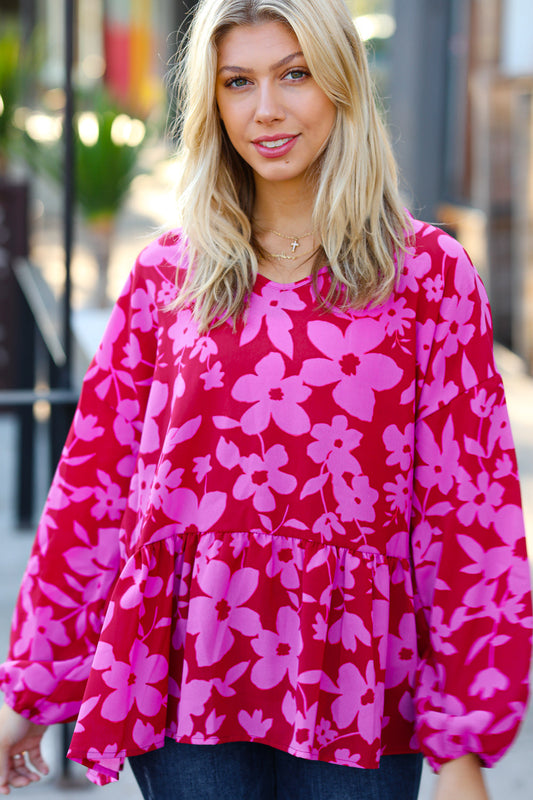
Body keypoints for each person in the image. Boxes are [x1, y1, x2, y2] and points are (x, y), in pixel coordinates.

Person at [0, 0, 531, 797]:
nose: (267, 109)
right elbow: (95, 484)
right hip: (187, 670)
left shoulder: (429, 275)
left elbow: (468, 507)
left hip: (359, 679)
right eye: (238, 82)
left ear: (342, 86)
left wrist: (459, 740)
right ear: (212, 104)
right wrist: (34, 689)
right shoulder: (165, 276)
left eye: (294, 75)